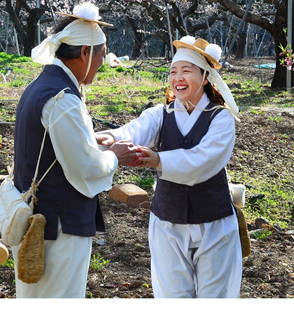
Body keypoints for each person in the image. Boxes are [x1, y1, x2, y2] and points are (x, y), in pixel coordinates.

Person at [97, 36, 242, 298]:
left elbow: (205, 159)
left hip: (214, 223)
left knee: (214, 296)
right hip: (168, 221)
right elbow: (135, 130)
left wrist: (160, 160)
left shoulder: (220, 118)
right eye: (173, 71)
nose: (178, 78)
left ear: (205, 77)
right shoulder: (160, 114)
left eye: (187, 71)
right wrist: (111, 137)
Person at [12, 2, 139, 298]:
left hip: (36, 222)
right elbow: (86, 168)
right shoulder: (63, 98)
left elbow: (53, 145)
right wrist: (114, 156)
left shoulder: (39, 86)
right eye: (101, 56)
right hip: (58, 228)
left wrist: (89, 140)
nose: (101, 64)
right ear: (84, 53)